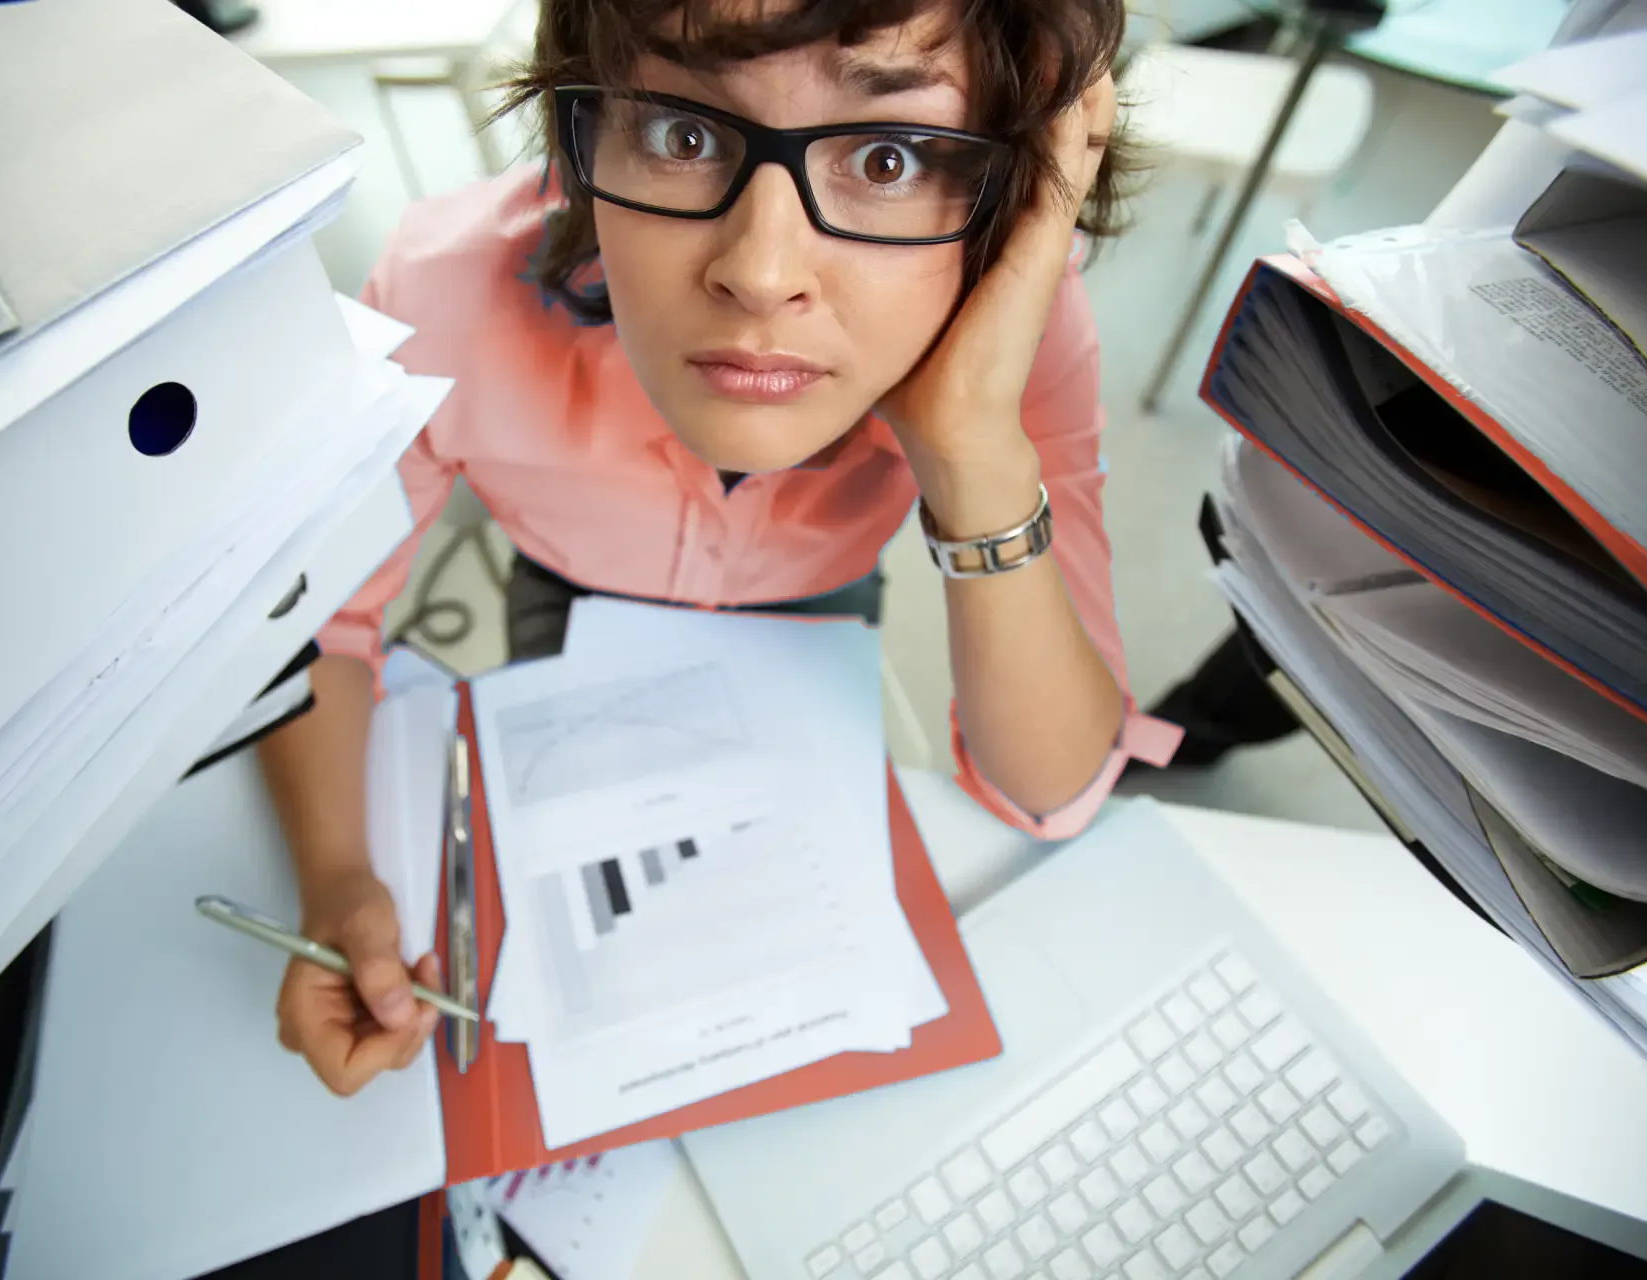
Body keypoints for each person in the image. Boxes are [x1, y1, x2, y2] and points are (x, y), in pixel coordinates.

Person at [258, 0, 1179, 1098]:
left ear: (1016, 191)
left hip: (818, 601)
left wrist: (973, 447)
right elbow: (314, 624)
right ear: (583, 130)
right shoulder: (447, 284)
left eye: (887, 156)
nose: (761, 269)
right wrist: (336, 875)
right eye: (684, 136)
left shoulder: (1016, 335)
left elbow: (1053, 790)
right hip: (565, 590)